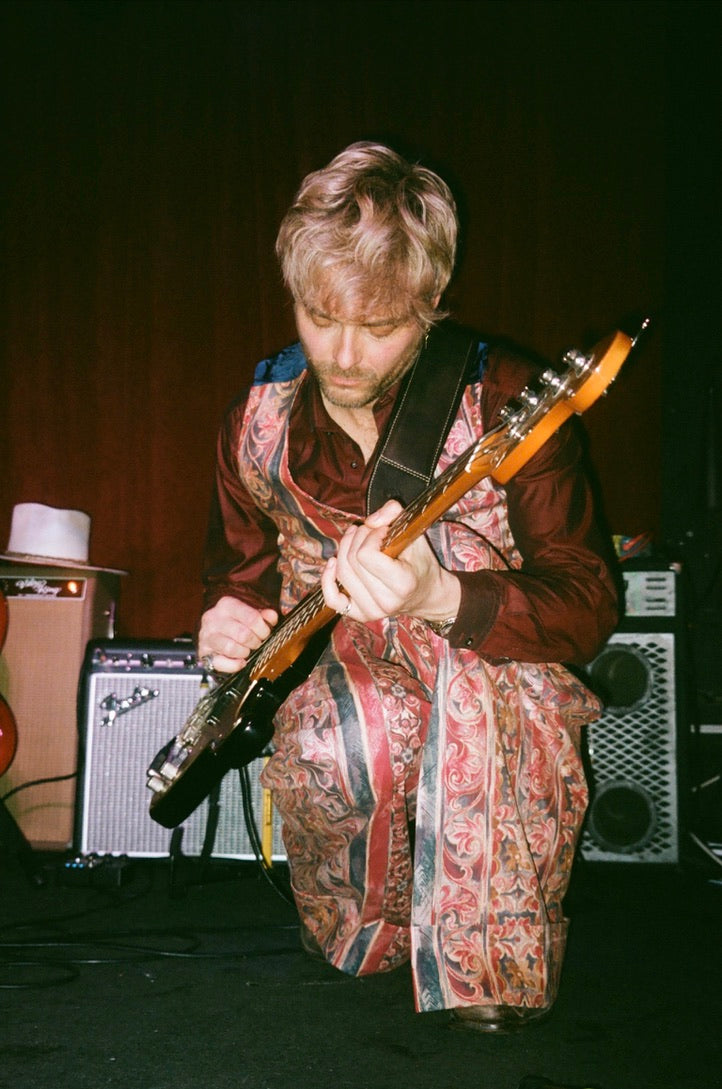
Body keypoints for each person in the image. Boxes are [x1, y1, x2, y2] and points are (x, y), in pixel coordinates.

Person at [197, 142, 619, 1032]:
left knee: (484, 672)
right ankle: (377, 919)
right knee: (333, 770)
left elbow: (586, 603)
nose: (344, 354)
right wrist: (225, 621)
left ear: (430, 303)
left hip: (496, 674)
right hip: (348, 688)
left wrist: (443, 597)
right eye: (320, 316)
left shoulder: (509, 400)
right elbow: (237, 577)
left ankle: (487, 957)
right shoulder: (259, 421)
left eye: (381, 325)